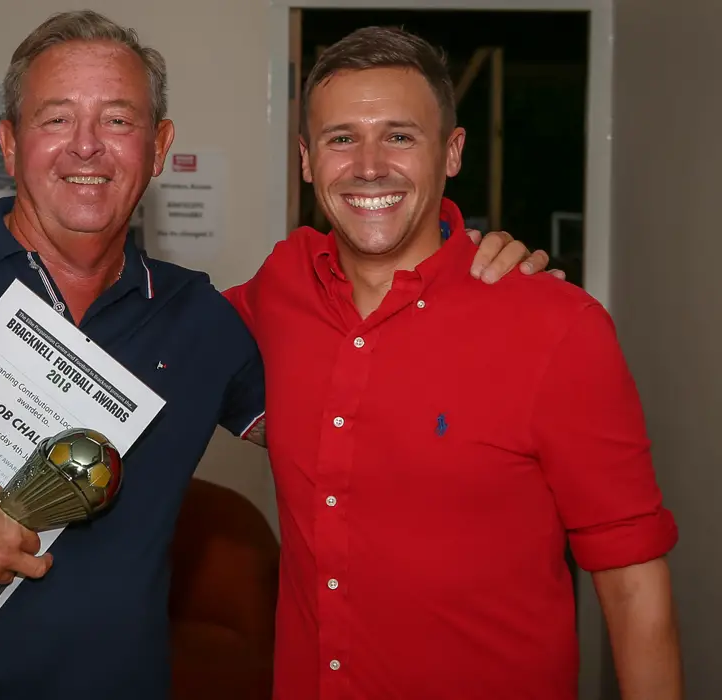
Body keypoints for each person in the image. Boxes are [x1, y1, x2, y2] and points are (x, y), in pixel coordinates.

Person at [0, 11, 550, 700]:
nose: (88, 147)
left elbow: (363, 424)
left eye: (117, 120)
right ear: (9, 144)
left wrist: (458, 273)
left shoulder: (201, 322)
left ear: (157, 148)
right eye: (56, 119)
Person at [224, 25, 682, 700]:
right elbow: (153, 340)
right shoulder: (283, 284)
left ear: (453, 152)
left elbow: (635, 588)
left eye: (400, 135)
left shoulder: (558, 328)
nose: (370, 164)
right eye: (341, 137)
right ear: (306, 158)